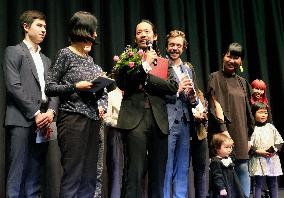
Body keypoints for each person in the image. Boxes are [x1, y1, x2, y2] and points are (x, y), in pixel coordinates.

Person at [45, 11, 107, 197]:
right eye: (92, 30)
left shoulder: (90, 59)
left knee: (89, 176)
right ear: (83, 30)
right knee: (73, 174)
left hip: (93, 120)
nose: (95, 35)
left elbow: (95, 92)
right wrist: (74, 86)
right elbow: (50, 87)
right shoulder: (65, 54)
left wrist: (100, 88)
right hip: (72, 119)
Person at [115, 20, 178, 198]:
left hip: (159, 121)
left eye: (147, 32)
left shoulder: (165, 63)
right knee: (134, 171)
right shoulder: (127, 59)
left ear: (155, 36)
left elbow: (173, 87)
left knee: (158, 174)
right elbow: (122, 82)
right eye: (139, 32)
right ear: (135, 37)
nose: (143, 35)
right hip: (135, 120)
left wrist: (146, 77)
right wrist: (143, 66)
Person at [3, 10, 58, 197]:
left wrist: (51, 111)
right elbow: (13, 86)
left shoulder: (46, 60)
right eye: (39, 26)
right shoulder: (13, 51)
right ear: (26, 27)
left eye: (45, 27)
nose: (44, 30)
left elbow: (53, 89)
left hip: (44, 120)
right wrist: (36, 113)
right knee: (18, 169)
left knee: (36, 170)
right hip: (21, 118)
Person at [207, 42, 254, 198]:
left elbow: (248, 112)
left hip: (241, 134)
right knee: (224, 175)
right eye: (229, 56)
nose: (231, 60)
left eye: (236, 57)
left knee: (242, 169)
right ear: (223, 56)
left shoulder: (243, 82)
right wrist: (224, 130)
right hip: (222, 135)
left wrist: (248, 138)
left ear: (241, 61)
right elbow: (214, 104)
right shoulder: (215, 77)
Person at [163, 30, 200, 198]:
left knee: (183, 166)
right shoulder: (161, 65)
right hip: (168, 121)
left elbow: (193, 100)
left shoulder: (188, 69)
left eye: (178, 45)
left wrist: (193, 98)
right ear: (166, 46)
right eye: (172, 45)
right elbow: (157, 94)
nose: (175, 48)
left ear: (184, 48)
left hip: (185, 122)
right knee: (166, 166)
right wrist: (177, 91)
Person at [248, 102, 283, 198]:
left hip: (272, 159)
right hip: (258, 159)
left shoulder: (271, 127)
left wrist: (271, 151)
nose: (263, 115)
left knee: (273, 183)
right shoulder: (252, 129)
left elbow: (279, 141)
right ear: (254, 113)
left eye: (265, 112)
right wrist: (258, 151)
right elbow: (249, 145)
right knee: (258, 183)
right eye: (260, 112)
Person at [103, 82, 124, 198]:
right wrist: (118, 123)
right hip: (117, 132)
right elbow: (106, 117)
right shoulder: (111, 95)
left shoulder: (134, 94)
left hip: (133, 134)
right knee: (116, 170)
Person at [209, 133, 245, 198]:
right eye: (226, 147)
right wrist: (221, 188)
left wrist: (231, 143)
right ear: (217, 148)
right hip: (223, 189)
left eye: (230, 147)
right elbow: (217, 176)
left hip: (231, 186)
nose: (229, 149)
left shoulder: (228, 158)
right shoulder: (216, 161)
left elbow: (233, 154)